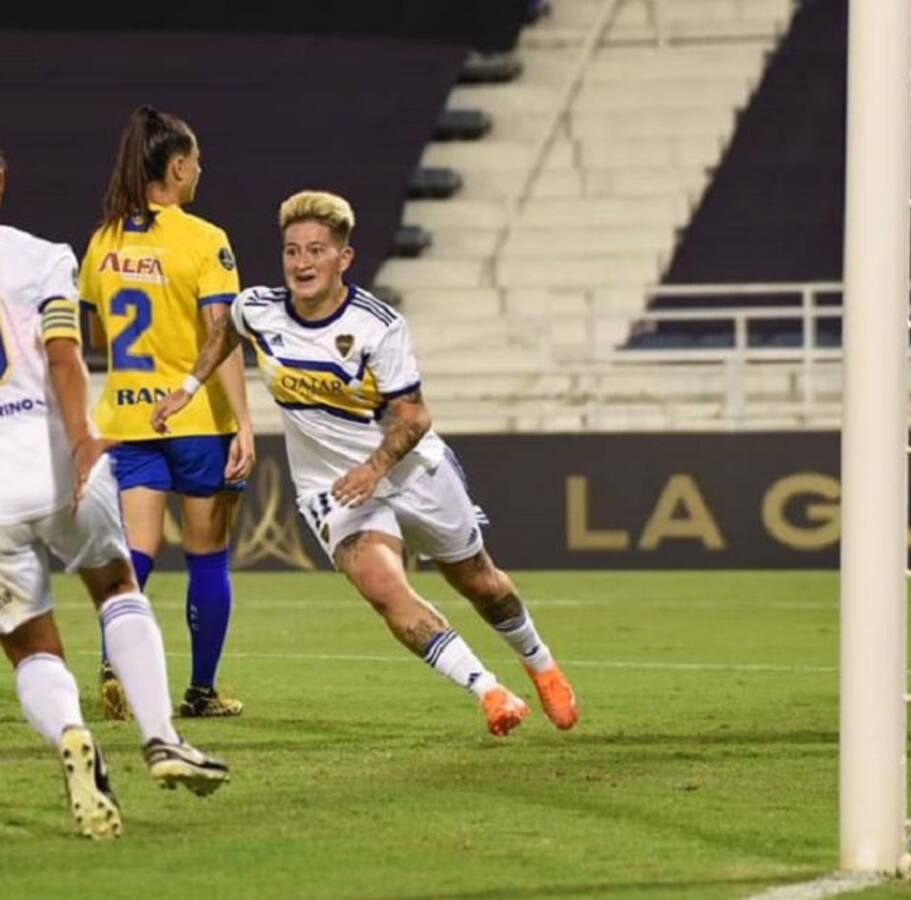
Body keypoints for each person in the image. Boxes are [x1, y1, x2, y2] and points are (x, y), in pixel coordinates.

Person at [152, 190, 578, 737]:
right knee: (384, 589)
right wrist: (188, 387)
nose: (301, 263)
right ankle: (490, 692)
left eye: (315, 251)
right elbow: (225, 331)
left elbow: (415, 416)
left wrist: (374, 469)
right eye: (291, 251)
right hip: (330, 489)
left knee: (481, 583)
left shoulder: (379, 327)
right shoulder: (257, 307)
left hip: (410, 472)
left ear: (343, 259)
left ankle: (540, 663)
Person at [0, 149, 228, 840]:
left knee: (27, 638)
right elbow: (65, 356)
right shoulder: (41, 257)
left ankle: (72, 733)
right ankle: (161, 736)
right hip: (53, 455)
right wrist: (82, 441)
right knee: (117, 585)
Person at [79, 106, 253, 719]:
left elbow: (98, 336)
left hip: (127, 419)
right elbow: (221, 335)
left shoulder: (102, 242)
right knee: (208, 554)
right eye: (197, 160)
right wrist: (245, 425)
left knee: (137, 550)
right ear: (178, 168)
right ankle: (201, 692)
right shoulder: (205, 240)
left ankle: (112, 660)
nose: (201, 169)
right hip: (198, 419)